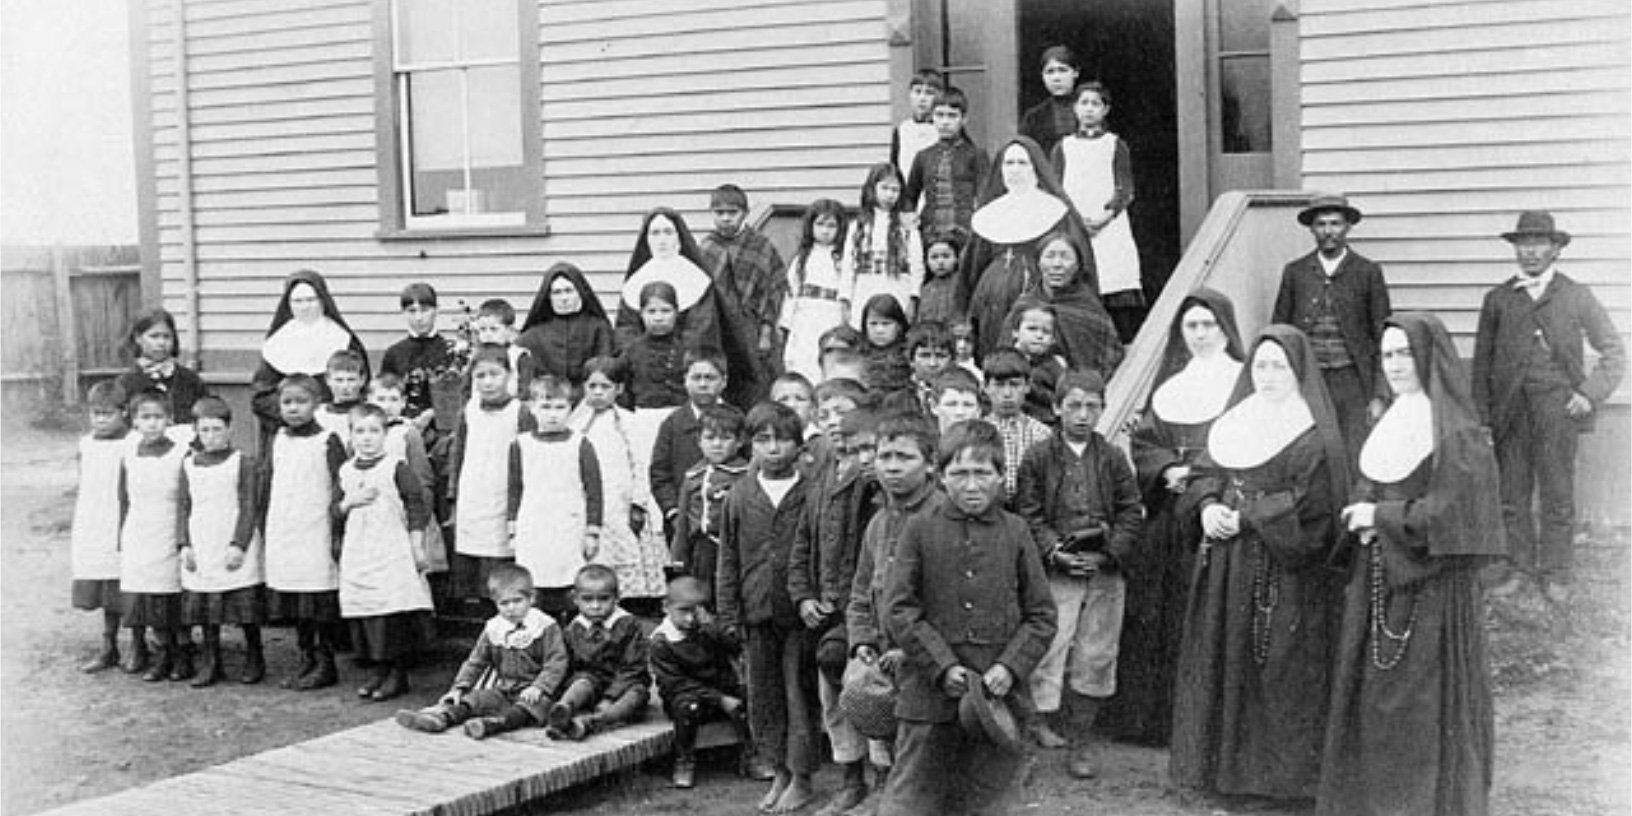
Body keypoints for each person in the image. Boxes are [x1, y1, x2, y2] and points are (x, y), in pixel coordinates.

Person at [1319, 313, 1506, 816]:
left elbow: (1449, 515)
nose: (1395, 365)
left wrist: (1377, 516)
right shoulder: (1391, 417)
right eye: (1387, 355)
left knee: (1418, 700)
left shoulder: (1457, 432)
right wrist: (1365, 511)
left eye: (1405, 353)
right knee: (1378, 693)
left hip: (1431, 589)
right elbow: (1372, 482)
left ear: (1429, 357)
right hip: (1379, 576)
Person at [1169, 325, 1352, 802]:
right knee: (1219, 655)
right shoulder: (1237, 417)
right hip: (1226, 565)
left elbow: (1314, 505)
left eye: (1280, 366)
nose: (1268, 376)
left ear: (1299, 372)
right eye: (1261, 365)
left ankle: (1274, 783)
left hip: (1280, 571)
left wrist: (1248, 515)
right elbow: (1207, 472)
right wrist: (1208, 506)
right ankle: (1216, 773)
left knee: (1274, 665)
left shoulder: (1313, 433)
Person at [878, 419, 1057, 816]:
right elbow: (899, 608)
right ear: (941, 477)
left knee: (990, 798)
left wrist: (1010, 669)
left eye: (983, 473)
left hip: (997, 700)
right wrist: (942, 666)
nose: (971, 485)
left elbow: (1041, 616)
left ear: (1000, 478)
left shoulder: (1016, 531)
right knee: (911, 799)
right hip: (928, 696)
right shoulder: (919, 529)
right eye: (959, 473)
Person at [1472, 210, 1625, 602]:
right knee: (1513, 494)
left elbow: (1613, 350)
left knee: (1557, 493)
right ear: (1515, 249)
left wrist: (1588, 394)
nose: (1531, 252)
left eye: (1540, 244)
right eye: (1524, 244)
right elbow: (1482, 365)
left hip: (1558, 411)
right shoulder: (1499, 299)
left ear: (1555, 249)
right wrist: (1484, 419)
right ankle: (1520, 567)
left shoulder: (1576, 295)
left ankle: (1557, 571)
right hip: (1510, 413)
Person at [1114, 288, 1243, 745]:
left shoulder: (1242, 380)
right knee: (1155, 605)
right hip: (1168, 512)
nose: (1201, 334)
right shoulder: (1172, 382)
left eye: (1209, 324)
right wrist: (1167, 468)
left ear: (1226, 329)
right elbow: (1146, 441)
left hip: (1214, 508)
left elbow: (1248, 438)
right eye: (1192, 325)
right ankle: (1152, 721)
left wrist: (1200, 474)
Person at [1015, 370, 1143, 778]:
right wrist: (1055, 551)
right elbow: (1028, 513)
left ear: (1103, 409)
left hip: (1104, 572)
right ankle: (1031, 738)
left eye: (1092, 406)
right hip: (1055, 572)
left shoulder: (1113, 458)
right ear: (1056, 408)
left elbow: (1130, 512)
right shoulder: (1038, 457)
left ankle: (1081, 740)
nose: (1083, 414)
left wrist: (1108, 555)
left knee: (1097, 654)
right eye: (1074, 405)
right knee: (1046, 651)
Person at [716, 402, 819, 815]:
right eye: (762, 440)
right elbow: (728, 557)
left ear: (798, 445)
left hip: (798, 613)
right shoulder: (741, 494)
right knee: (765, 695)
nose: (773, 448)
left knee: (798, 694)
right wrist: (729, 612)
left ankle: (802, 775)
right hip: (755, 610)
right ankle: (777, 768)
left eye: (782, 439)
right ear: (750, 444)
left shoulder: (812, 490)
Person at [788, 408, 884, 816]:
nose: (861, 458)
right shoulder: (823, 483)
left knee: (871, 690)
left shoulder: (883, 494)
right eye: (849, 447)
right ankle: (849, 775)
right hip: (831, 607)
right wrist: (804, 595)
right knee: (832, 687)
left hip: (871, 612)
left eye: (869, 448)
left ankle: (884, 778)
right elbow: (804, 543)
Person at [847, 414, 942, 816]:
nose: (892, 466)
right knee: (865, 699)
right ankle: (886, 791)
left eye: (904, 456)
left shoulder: (942, 517)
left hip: (933, 656)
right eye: (884, 455)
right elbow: (860, 590)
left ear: (931, 463)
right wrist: (862, 640)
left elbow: (952, 600)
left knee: (923, 741)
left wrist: (914, 650)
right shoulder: (880, 522)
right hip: (884, 652)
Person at [1272, 194, 1391, 460]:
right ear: (1312, 229)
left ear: (1348, 227)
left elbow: (1383, 337)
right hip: (1308, 379)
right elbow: (1279, 333)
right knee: (1310, 448)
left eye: (1335, 223)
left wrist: (1379, 395)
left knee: (1354, 450)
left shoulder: (1367, 272)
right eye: (1321, 224)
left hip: (1352, 380)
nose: (1328, 231)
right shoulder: (1296, 272)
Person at [396, 563, 569, 739]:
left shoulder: (545, 626)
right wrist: (459, 688)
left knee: (531, 707)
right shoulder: (494, 628)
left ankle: (495, 724)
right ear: (495, 603)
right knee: (477, 699)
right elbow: (476, 661)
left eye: (517, 601)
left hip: (535, 692)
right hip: (505, 690)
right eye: (504, 603)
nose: (511, 608)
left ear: (531, 598)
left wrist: (540, 686)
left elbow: (557, 661)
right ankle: (443, 718)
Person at [963, 136, 1096, 360]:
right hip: (991, 304)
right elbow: (973, 266)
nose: (1015, 170)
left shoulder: (1056, 211)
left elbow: (1076, 263)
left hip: (1040, 298)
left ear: (1036, 168)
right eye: (1009, 163)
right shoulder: (989, 213)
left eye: (1022, 163)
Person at [335, 403, 434, 702]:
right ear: (350, 436)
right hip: (359, 549)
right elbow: (334, 510)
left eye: (374, 431)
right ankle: (378, 669)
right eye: (359, 431)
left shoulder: (396, 467)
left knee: (391, 612)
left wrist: (417, 543)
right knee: (366, 609)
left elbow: (416, 504)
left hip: (391, 546)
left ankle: (397, 674)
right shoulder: (345, 471)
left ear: (385, 434)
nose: (366, 438)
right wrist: (349, 502)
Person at [616, 207, 763, 408]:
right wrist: (641, 357)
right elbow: (626, 328)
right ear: (646, 238)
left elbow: (702, 330)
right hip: (643, 371)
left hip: (685, 368)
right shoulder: (637, 279)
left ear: (679, 237)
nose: (661, 239)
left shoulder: (695, 278)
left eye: (668, 232)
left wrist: (675, 358)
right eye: (655, 233)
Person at [260, 374, 348, 690]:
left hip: (316, 529)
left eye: (301, 402)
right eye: (287, 402)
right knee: (295, 598)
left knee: (316, 597)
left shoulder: (327, 441)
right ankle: (306, 658)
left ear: (316, 405)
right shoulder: (278, 439)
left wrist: (336, 529)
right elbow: (267, 482)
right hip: (286, 527)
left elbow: (341, 485)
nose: (294, 408)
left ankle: (326, 663)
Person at [179, 396, 267, 687]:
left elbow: (249, 506)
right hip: (202, 540)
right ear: (196, 431)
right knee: (206, 605)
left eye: (217, 429)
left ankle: (255, 656)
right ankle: (211, 659)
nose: (211, 437)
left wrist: (238, 544)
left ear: (229, 429)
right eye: (204, 430)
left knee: (243, 605)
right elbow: (183, 506)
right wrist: (185, 545)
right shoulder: (189, 464)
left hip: (231, 539)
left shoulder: (242, 462)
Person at [569, 356, 668, 613]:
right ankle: (592, 599)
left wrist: (638, 501)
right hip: (588, 502)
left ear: (620, 389)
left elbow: (641, 463)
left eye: (606, 387)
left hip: (620, 500)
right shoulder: (575, 424)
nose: (599, 393)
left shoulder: (629, 423)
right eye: (592, 387)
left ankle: (629, 604)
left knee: (624, 548)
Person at [1052, 82, 1144, 342]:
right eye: (1084, 103)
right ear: (1075, 108)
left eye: (1096, 104)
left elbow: (1125, 188)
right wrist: (1076, 219)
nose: (1089, 109)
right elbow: (1055, 188)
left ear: (1105, 110)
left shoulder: (1115, 145)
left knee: (1113, 277)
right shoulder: (1064, 146)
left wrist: (1106, 216)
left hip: (1109, 225)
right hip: (1074, 223)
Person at [650, 576, 761, 789]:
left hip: (719, 691)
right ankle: (684, 760)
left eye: (696, 611)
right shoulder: (661, 641)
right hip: (686, 694)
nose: (690, 619)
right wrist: (720, 700)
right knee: (686, 707)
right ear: (666, 607)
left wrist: (713, 626)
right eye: (683, 610)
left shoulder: (705, 629)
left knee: (749, 698)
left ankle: (750, 756)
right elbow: (675, 683)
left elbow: (734, 646)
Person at [509, 375, 603, 622]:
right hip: (534, 524)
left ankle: (573, 637)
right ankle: (540, 637)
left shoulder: (580, 444)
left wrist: (592, 531)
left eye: (560, 407)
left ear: (570, 408)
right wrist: (512, 527)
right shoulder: (522, 444)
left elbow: (594, 491)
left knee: (570, 581)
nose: (553, 414)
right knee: (536, 581)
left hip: (568, 524)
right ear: (532, 408)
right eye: (546, 407)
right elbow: (515, 488)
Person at [446, 345, 534, 606]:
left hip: (505, 491)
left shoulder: (520, 412)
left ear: (508, 375)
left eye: (494, 374)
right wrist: (454, 494)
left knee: (500, 553)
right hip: (473, 491)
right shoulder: (469, 411)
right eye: (480, 376)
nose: (487, 382)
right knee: (471, 553)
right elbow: (458, 454)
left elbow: (528, 457)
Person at [250, 269, 368, 454]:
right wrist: (297, 414)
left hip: (337, 426)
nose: (305, 306)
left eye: (311, 300)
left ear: (323, 300)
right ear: (288, 304)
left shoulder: (343, 339)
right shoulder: (277, 343)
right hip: (289, 431)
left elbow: (360, 384)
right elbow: (261, 396)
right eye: (298, 301)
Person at [118, 389, 191, 682]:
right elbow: (122, 498)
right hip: (139, 531)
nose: (152, 424)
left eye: (158, 417)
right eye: (145, 417)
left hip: (168, 528)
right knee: (146, 595)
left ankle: (181, 654)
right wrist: (121, 535)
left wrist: (183, 537)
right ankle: (161, 653)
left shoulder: (180, 454)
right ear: (134, 421)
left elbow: (187, 500)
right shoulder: (129, 455)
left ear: (169, 419)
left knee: (170, 596)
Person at [72, 381, 134, 674]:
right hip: (94, 522)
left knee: (129, 584)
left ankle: (139, 645)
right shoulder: (86, 444)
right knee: (104, 585)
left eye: (107, 414)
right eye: (96, 414)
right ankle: (109, 646)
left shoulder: (132, 443)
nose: (100, 420)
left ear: (124, 413)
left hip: (123, 519)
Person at [700, 184, 788, 390]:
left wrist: (766, 332)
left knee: (755, 383)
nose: (726, 218)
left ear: (745, 214)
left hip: (752, 329)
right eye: (719, 213)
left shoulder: (760, 246)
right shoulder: (706, 247)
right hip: (717, 329)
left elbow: (773, 290)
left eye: (732, 212)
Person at [548, 564, 650, 740]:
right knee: (581, 682)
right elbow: (567, 663)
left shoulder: (628, 624)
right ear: (575, 599)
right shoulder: (574, 628)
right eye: (587, 600)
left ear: (617, 598)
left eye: (603, 599)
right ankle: (564, 709)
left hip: (623, 683)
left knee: (636, 695)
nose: (595, 606)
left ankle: (591, 723)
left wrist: (610, 697)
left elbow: (633, 667)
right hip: (592, 682)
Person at [1003, 229, 1123, 379]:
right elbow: (1002, 358)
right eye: (1050, 256)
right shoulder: (1024, 306)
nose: (1057, 264)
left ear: (1078, 265)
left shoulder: (1090, 310)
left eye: (1065, 257)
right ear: (1038, 263)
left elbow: (1109, 358)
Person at [651, 347, 730, 539]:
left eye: (710, 378)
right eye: (696, 378)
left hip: (726, 521)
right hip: (683, 524)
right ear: (685, 381)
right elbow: (660, 473)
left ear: (724, 381)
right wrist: (673, 512)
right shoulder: (673, 424)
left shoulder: (735, 420)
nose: (703, 384)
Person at [670, 405, 749, 594]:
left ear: (739, 442)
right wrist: (679, 557)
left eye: (725, 438)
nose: (717, 444)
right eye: (710, 438)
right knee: (704, 594)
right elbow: (683, 523)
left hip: (737, 548)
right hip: (702, 550)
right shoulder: (693, 476)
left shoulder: (746, 475)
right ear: (699, 441)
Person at [843, 164, 924, 327]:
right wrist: (845, 299)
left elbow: (916, 264)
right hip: (865, 287)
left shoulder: (906, 225)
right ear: (872, 189)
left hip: (898, 286)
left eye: (895, 190)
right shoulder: (858, 226)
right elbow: (848, 265)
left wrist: (913, 296)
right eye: (885, 188)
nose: (890, 195)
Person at [780, 199, 851, 383]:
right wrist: (785, 323)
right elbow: (791, 292)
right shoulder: (802, 258)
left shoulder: (844, 259)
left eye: (831, 226)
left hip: (831, 315)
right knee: (803, 362)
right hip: (805, 318)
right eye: (820, 224)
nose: (825, 231)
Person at [904, 86, 988, 240]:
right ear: (932, 118)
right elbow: (910, 196)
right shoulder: (923, 156)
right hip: (930, 231)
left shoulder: (975, 155)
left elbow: (985, 195)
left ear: (964, 120)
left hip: (965, 231)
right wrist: (909, 215)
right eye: (940, 115)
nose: (945, 122)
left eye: (952, 116)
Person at [516, 262, 615, 387]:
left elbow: (604, 370)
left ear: (580, 292)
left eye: (569, 291)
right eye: (557, 292)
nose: (564, 298)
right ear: (548, 297)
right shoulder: (533, 335)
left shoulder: (598, 328)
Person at [115, 308, 208, 431]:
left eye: (167, 337)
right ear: (138, 338)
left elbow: (206, 419)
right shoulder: (126, 383)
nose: (161, 343)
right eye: (154, 336)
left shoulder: (190, 380)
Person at [981, 348, 1053, 507]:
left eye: (1014, 385)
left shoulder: (1042, 434)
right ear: (986, 387)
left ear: (1027, 386)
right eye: (999, 385)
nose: (1007, 393)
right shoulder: (977, 432)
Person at [378, 282, 450, 433]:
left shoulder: (450, 351)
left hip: (442, 428)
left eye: (425, 310)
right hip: (402, 428)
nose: (419, 318)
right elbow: (385, 393)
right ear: (403, 312)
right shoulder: (394, 353)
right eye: (412, 311)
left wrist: (431, 413)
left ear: (437, 310)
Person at [1009, 304, 1071, 424]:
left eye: (1046, 332)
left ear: (1053, 339)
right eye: (1032, 329)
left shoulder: (1056, 367)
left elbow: (1063, 398)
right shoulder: (1003, 361)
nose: (1039, 336)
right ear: (1015, 332)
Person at [1018, 45, 1082, 155]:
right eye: (1050, 72)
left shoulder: (1092, 110)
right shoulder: (1033, 117)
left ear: (1076, 72)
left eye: (1063, 70)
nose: (1056, 78)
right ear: (1042, 76)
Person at [470, 298, 536, 399]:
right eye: (483, 329)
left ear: (509, 330)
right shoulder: (476, 356)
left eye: (494, 329)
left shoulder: (519, 356)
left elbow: (526, 390)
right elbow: (467, 389)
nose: (488, 335)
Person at [858, 294, 914, 398]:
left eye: (886, 324)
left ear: (899, 326)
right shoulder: (858, 354)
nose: (879, 330)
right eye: (873, 324)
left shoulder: (908, 355)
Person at [891, 69, 943, 179]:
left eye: (929, 93)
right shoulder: (902, 130)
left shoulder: (944, 129)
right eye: (918, 92)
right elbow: (895, 168)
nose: (922, 98)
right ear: (910, 94)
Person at [313, 349, 368, 447]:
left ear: (362, 380)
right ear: (328, 380)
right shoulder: (318, 415)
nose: (345, 386)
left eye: (351, 380)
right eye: (339, 380)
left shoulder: (371, 413)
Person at [916, 231, 965, 330]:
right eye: (934, 257)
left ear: (956, 258)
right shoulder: (925, 289)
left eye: (946, 256)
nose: (940, 262)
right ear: (926, 261)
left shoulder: (963, 285)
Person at [905, 321, 954, 416]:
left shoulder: (965, 394)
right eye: (925, 356)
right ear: (911, 360)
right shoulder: (896, 397)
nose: (933, 363)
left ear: (952, 360)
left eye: (941, 356)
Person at [928, 367, 983, 434]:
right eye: (951, 405)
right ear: (934, 406)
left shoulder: (993, 443)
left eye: (968, 405)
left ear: (979, 409)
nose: (960, 412)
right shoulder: (917, 442)